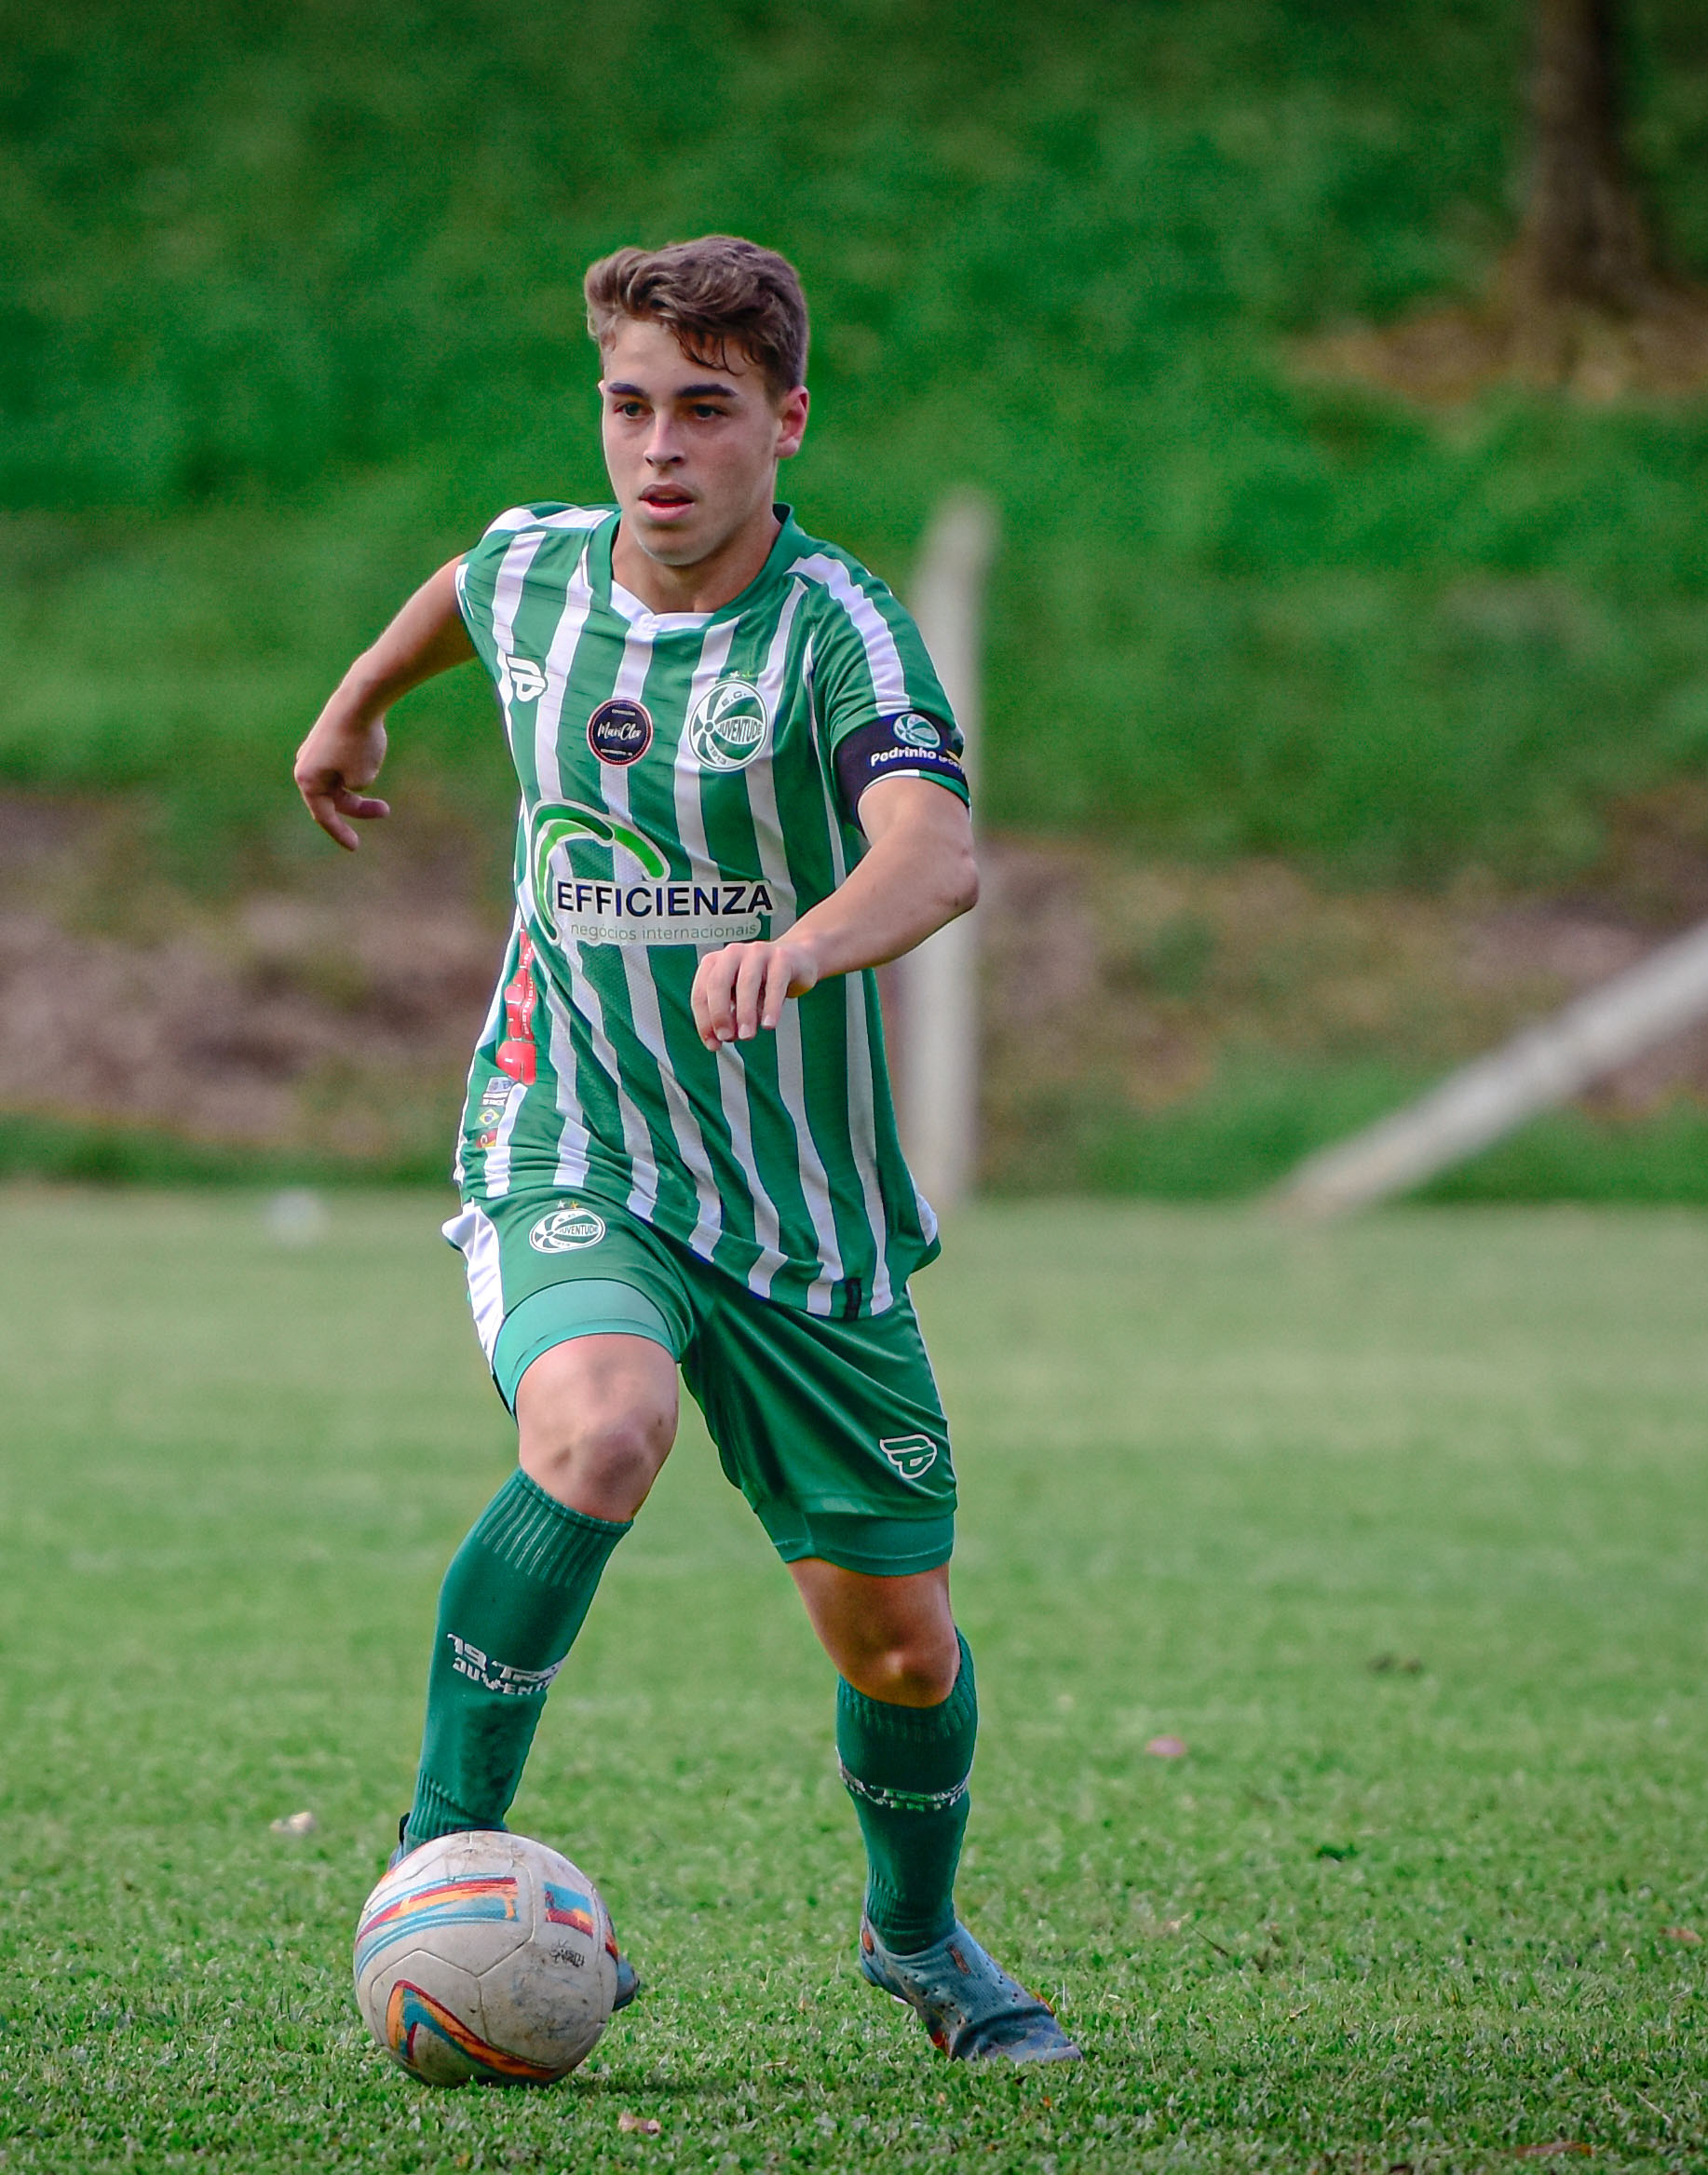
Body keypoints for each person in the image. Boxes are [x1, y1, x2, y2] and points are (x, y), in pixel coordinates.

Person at [291, 237, 1077, 2061]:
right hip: (564, 1133)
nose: (658, 450)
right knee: (599, 1423)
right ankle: (434, 1859)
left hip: (801, 1216)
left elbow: (932, 852)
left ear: (784, 424)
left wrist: (803, 942)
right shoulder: (538, 566)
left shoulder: (836, 629)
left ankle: (917, 1937)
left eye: (704, 413)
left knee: (898, 1647)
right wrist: (352, 708)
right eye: (629, 407)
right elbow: (461, 588)